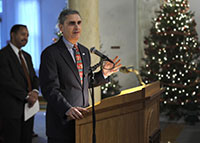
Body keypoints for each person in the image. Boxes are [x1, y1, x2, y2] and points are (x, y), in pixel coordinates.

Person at [39, 9, 121, 143]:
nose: (77, 27)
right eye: (72, 23)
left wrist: (104, 73)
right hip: (62, 122)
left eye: (79, 23)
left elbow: (85, 81)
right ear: (61, 27)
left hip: (84, 120)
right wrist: (67, 109)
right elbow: (49, 89)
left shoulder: (84, 51)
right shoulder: (51, 53)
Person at [0, 24, 39, 143]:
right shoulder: (3, 55)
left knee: (27, 139)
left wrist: (36, 91)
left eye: (27, 35)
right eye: (23, 34)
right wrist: (27, 96)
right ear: (13, 35)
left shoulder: (27, 56)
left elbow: (33, 77)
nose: (26, 38)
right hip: (11, 110)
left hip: (28, 109)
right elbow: (6, 81)